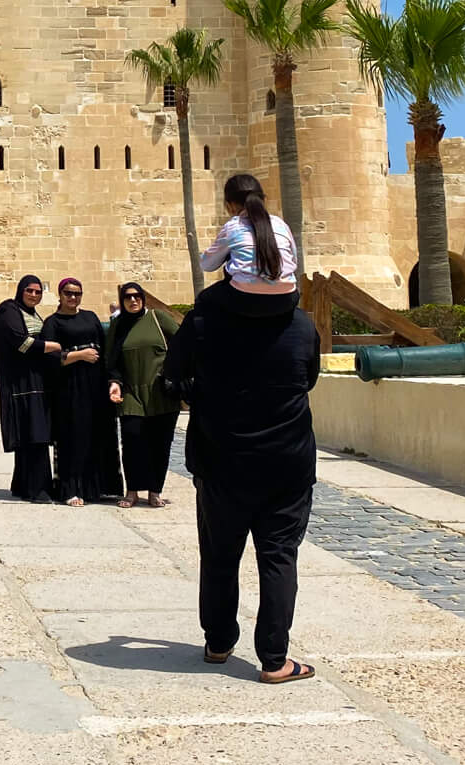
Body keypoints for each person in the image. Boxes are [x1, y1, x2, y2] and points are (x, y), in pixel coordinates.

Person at [174, 172, 324, 685]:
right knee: (278, 557)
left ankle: (218, 643)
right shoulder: (302, 327)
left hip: (221, 458)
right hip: (286, 460)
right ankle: (274, 659)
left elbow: (173, 376)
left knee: (219, 554)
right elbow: (308, 380)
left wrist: (203, 392)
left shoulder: (205, 320)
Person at [104, 282, 183, 508]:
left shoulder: (158, 318)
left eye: (137, 296)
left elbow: (183, 343)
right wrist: (114, 383)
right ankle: (132, 491)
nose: (133, 301)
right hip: (131, 392)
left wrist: (173, 371)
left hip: (161, 392)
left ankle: (155, 491)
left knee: (161, 443)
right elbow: (112, 360)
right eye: (128, 297)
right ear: (122, 300)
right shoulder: (118, 325)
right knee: (132, 441)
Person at [40, 278, 117, 507]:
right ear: (60, 295)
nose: (73, 298)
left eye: (77, 293)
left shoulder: (90, 317)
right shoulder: (53, 322)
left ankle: (95, 487)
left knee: (96, 436)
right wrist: (79, 355)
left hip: (95, 386)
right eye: (68, 293)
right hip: (69, 389)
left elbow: (105, 350)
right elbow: (48, 357)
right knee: (72, 437)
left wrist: (113, 381)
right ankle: (70, 489)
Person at [0, 276, 56, 501]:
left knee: (33, 434)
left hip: (36, 381)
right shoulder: (7, 310)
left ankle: (23, 485)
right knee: (33, 434)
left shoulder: (30, 313)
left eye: (38, 292)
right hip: (20, 384)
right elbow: (21, 343)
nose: (33, 295)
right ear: (20, 290)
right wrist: (53, 347)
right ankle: (38, 489)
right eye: (29, 290)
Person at [199, 172, 301, 293]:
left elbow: (207, 265)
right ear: (263, 201)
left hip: (245, 297)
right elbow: (293, 259)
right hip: (287, 296)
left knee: (204, 299)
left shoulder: (233, 227)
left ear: (229, 206)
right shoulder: (280, 224)